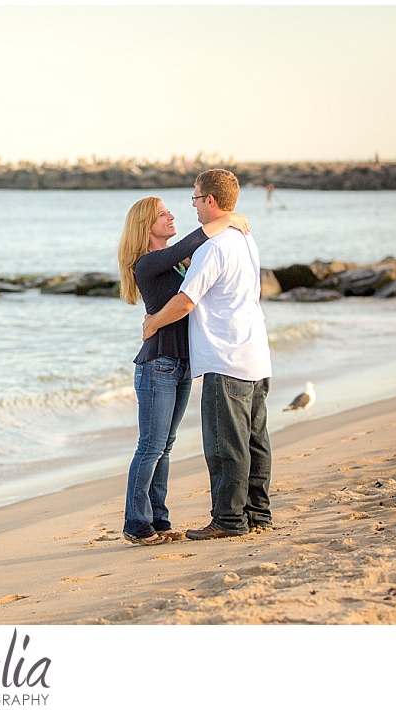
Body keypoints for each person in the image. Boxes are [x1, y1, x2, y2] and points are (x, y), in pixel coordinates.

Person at [142, 169, 273, 540]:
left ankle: (229, 520)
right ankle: (257, 513)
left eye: (196, 199)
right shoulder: (245, 238)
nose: (194, 206)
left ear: (210, 201)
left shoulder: (213, 248)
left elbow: (184, 302)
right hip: (255, 354)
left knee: (224, 446)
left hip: (225, 358)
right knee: (254, 440)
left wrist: (153, 322)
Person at [117, 195, 249, 546]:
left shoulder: (176, 264)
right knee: (151, 446)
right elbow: (195, 239)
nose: (171, 216)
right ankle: (136, 523)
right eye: (163, 214)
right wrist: (229, 217)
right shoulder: (148, 263)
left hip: (181, 366)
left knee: (165, 447)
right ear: (146, 226)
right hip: (157, 365)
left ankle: (159, 520)